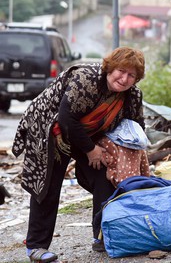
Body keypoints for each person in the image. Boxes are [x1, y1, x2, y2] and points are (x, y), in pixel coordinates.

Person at [12, 46, 146, 262]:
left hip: (86, 134)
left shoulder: (131, 96)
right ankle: (36, 246)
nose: (124, 78)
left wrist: (125, 156)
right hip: (50, 130)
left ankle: (102, 235)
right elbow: (66, 119)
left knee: (105, 175)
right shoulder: (86, 79)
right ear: (110, 68)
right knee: (48, 185)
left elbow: (136, 127)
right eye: (121, 71)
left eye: (131, 75)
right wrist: (91, 150)